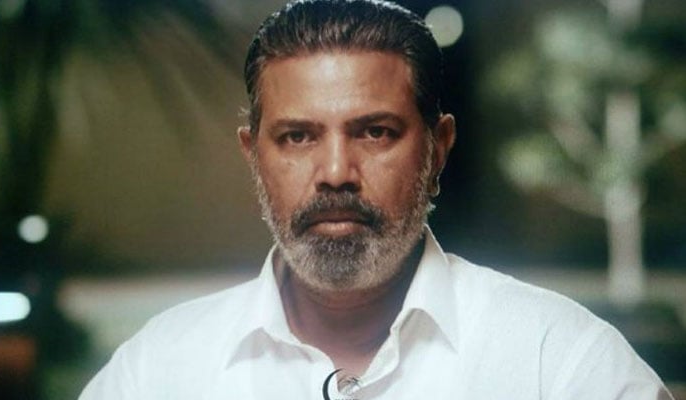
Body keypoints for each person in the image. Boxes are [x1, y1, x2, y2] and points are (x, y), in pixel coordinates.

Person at [80, 1, 673, 399]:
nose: (336, 173)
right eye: (298, 137)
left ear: (438, 149)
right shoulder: (157, 370)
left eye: (375, 132)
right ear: (254, 156)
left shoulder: (561, 363)